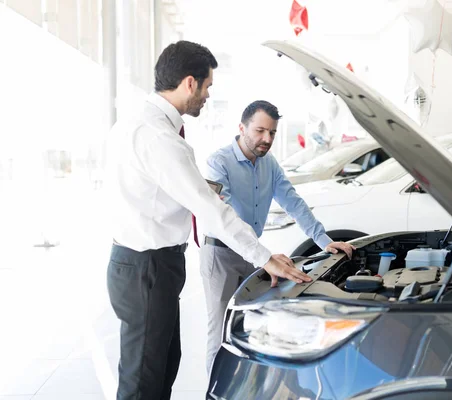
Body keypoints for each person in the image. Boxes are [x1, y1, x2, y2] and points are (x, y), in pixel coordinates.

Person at [104, 42, 311, 400]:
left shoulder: (140, 123)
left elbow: (162, 192)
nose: (207, 95)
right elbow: (210, 210)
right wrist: (264, 257)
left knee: (161, 366)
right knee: (143, 383)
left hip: (143, 264)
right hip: (147, 267)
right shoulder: (159, 137)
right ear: (189, 83)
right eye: (207, 86)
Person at [202, 100, 356, 373]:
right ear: (241, 128)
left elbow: (293, 203)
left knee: (249, 328)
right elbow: (223, 216)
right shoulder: (219, 162)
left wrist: (323, 240)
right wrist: (264, 256)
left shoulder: (269, 164)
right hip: (222, 255)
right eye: (260, 131)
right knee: (221, 332)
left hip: (254, 255)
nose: (267, 139)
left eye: (272, 133)